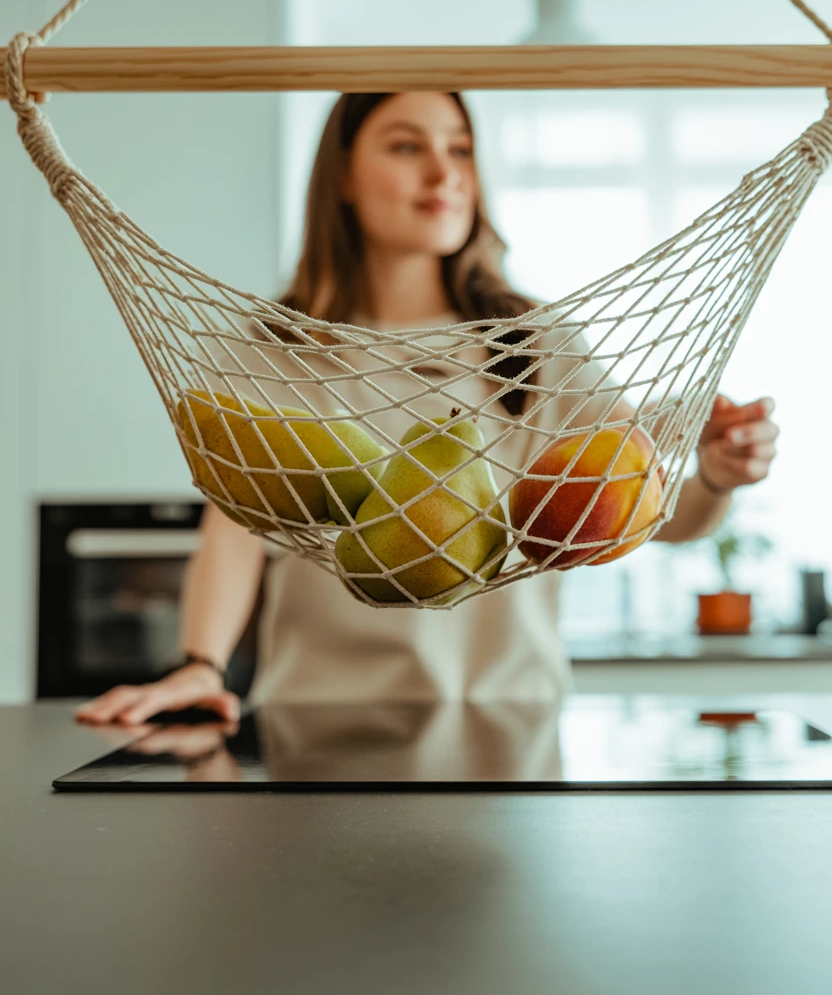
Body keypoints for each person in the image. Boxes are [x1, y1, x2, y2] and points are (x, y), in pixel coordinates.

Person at [76, 91, 778, 727]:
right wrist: (199, 663)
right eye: (408, 146)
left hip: (510, 723)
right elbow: (233, 529)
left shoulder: (534, 342)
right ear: (343, 176)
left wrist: (715, 478)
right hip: (319, 722)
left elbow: (641, 510)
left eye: (460, 149)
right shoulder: (280, 345)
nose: (445, 174)